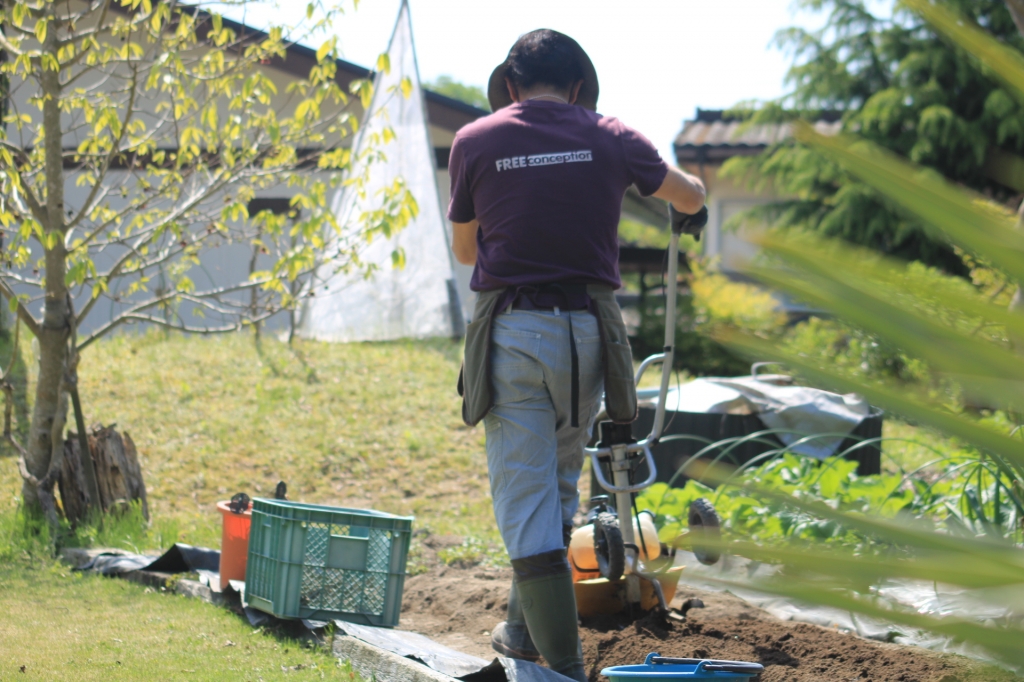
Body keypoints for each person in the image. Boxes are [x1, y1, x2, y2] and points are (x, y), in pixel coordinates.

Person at [448, 29, 705, 682]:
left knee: (526, 502)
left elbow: (466, 253)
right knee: (557, 492)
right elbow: (689, 196)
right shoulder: (612, 136)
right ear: (580, 86)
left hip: (514, 331)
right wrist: (692, 196)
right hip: (589, 336)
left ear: (509, 85)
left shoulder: (475, 141)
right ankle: (518, 639)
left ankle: (560, 672)